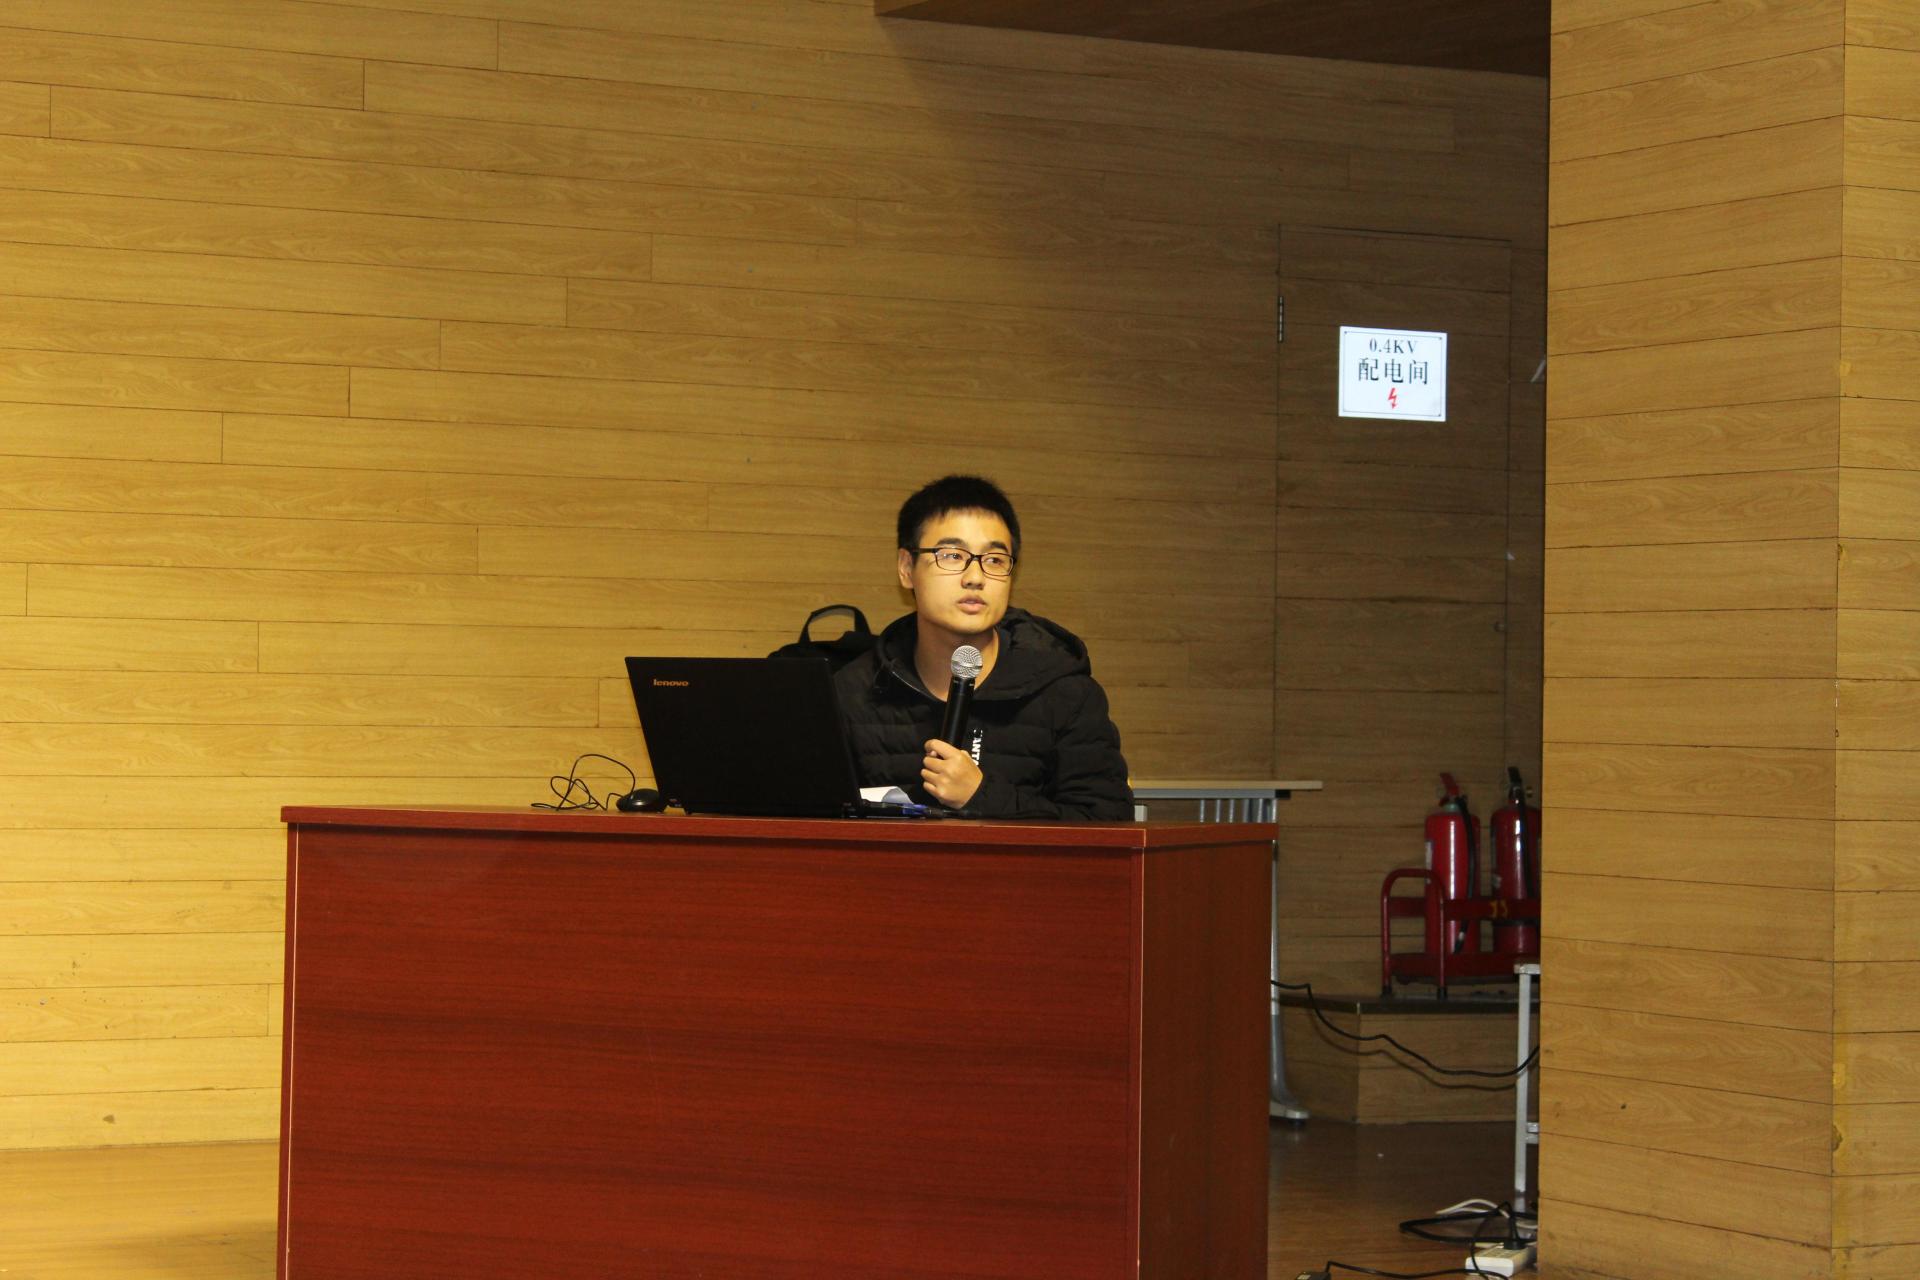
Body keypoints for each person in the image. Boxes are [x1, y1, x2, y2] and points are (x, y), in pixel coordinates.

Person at [833, 475, 1133, 820]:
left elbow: (1109, 824)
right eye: (952, 555)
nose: (975, 577)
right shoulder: (852, 693)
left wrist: (982, 796)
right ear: (906, 568)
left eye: (994, 560)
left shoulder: (1065, 695)